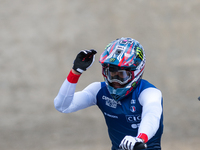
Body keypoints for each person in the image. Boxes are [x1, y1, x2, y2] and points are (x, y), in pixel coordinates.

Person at [54, 37, 164, 150]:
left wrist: (140, 138)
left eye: (122, 76)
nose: (115, 81)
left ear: (136, 71)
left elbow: (152, 115)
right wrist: (75, 72)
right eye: (111, 74)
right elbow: (62, 106)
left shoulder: (149, 92)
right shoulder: (98, 90)